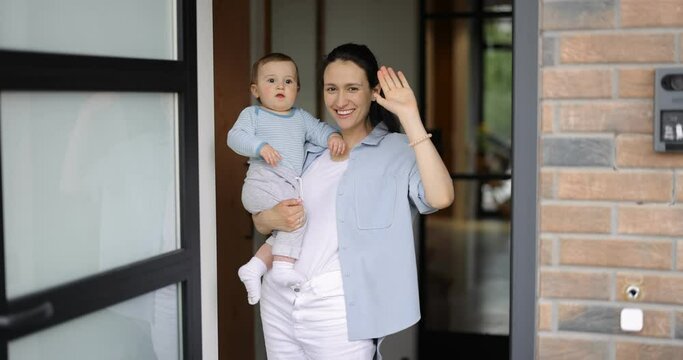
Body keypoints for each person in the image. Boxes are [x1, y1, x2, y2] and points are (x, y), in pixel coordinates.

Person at [251, 43, 454, 359]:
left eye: (352, 89)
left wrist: (410, 115)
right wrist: (271, 219)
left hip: (338, 311)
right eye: (331, 89)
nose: (340, 101)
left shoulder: (398, 150)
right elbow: (262, 218)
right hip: (279, 299)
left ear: (374, 91)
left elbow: (441, 197)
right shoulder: (308, 148)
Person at [227, 52, 346, 305]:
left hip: (284, 185)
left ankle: (255, 267)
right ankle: (281, 269)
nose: (280, 86)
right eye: (271, 81)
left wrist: (332, 138)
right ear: (255, 89)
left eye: (288, 81)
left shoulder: (300, 118)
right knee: (299, 218)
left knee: (289, 224)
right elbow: (234, 137)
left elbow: (320, 130)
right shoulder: (254, 115)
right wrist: (259, 146)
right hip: (263, 181)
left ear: (297, 89)